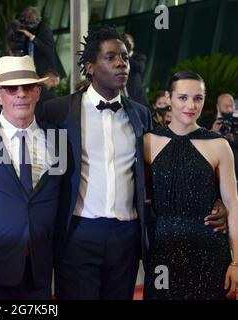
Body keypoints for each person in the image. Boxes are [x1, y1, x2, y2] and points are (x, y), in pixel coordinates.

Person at [42, 26, 228, 300]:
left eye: (125, 58)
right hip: (78, 234)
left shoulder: (140, 114)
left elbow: (166, 169)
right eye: (111, 57)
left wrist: (217, 200)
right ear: (91, 67)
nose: (121, 64)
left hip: (127, 236)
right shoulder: (58, 111)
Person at [0, 55, 63, 300]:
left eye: (28, 87)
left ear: (38, 92)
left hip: (41, 267)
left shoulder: (59, 139)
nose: (21, 94)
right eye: (11, 88)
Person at [143, 71, 238, 300]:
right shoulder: (148, 142)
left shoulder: (218, 145)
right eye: (183, 97)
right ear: (169, 98)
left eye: (198, 98)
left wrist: (236, 262)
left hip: (211, 251)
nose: (191, 105)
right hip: (162, 253)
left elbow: (233, 205)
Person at [16, 6, 66, 79]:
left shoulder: (45, 30)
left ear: (37, 20)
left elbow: (47, 49)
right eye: (26, 23)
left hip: (46, 73)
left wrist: (32, 37)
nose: (28, 26)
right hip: (32, 70)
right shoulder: (26, 30)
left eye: (30, 23)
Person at [124, 33, 148, 106]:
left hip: (136, 98)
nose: (126, 45)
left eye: (128, 42)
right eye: (124, 42)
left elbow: (140, 68)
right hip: (122, 95)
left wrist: (127, 55)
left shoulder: (139, 56)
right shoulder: (117, 58)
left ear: (133, 44)